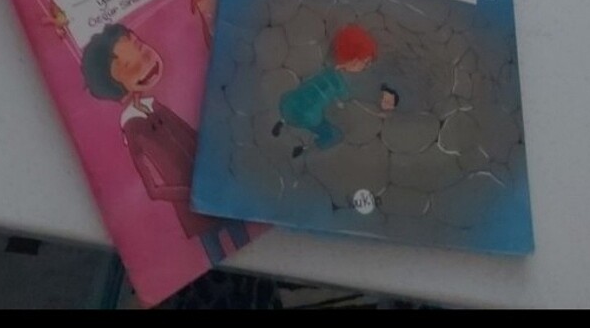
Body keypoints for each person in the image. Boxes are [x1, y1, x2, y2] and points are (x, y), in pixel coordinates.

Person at [81, 23, 248, 263]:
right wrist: (192, 190)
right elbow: (154, 188)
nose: (145, 62)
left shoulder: (155, 105)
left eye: (141, 48)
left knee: (242, 237)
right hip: (195, 206)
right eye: (131, 66)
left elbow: (190, 136)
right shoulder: (133, 127)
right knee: (217, 253)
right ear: (115, 86)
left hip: (217, 188)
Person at [271, 24, 382, 156]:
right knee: (334, 135)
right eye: (365, 62)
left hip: (289, 103)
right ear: (354, 60)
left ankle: (282, 122)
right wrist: (375, 112)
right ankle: (305, 148)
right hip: (307, 116)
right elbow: (349, 99)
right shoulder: (340, 83)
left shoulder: (324, 68)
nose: (366, 67)